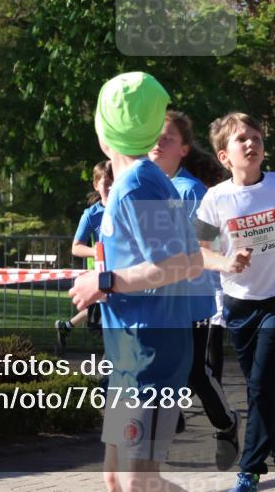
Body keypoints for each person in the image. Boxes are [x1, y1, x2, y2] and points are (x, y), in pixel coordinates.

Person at [68, 71, 207, 492]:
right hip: (130, 351)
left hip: (152, 355)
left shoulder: (138, 187)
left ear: (103, 129)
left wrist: (104, 281)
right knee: (117, 479)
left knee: (136, 482)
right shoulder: (133, 183)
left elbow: (182, 265)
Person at [195, 112, 275, 492]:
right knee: (264, 387)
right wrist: (226, 261)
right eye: (241, 140)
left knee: (261, 384)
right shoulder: (214, 199)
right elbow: (200, 250)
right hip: (240, 303)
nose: (251, 143)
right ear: (224, 156)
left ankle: (250, 470)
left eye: (256, 137)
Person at [149, 110, 240, 471]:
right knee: (156, 370)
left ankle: (227, 423)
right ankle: (156, 445)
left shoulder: (189, 191)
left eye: (167, 138)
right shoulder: (145, 185)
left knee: (194, 373)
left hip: (190, 297)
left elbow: (193, 249)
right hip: (155, 298)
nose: (158, 143)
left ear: (183, 149)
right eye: (154, 137)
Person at [56, 160, 113, 353]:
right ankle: (108, 375)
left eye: (114, 181)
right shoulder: (91, 215)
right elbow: (76, 247)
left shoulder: (127, 209)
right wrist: (99, 250)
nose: (111, 187)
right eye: (106, 182)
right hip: (100, 275)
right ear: (96, 185)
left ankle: (67, 327)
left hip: (125, 275)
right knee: (103, 326)